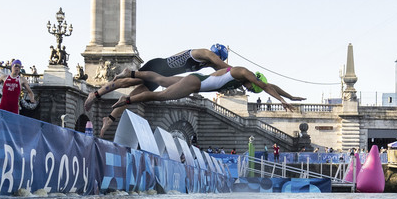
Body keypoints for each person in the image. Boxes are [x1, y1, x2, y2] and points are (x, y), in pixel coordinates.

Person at [85, 45, 231, 137]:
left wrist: (232, 81)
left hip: (161, 76)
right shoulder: (205, 53)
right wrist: (240, 75)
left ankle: (109, 119)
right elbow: (224, 68)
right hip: (157, 66)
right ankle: (95, 94)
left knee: (132, 97)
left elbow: (220, 73)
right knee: (127, 81)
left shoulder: (207, 63)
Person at [111, 66, 305, 112]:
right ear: (252, 81)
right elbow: (265, 86)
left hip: (197, 80)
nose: (246, 89)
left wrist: (291, 96)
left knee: (161, 78)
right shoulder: (241, 72)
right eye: (250, 88)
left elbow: (270, 85)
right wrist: (282, 101)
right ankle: (125, 101)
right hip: (195, 84)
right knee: (159, 96)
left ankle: (131, 73)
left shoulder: (243, 78)